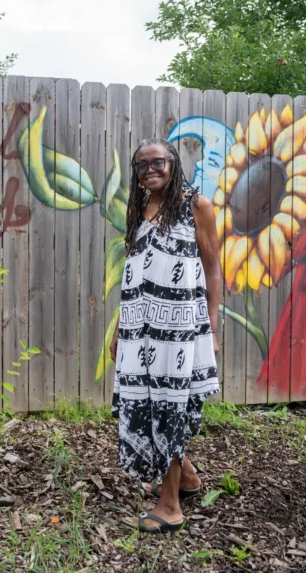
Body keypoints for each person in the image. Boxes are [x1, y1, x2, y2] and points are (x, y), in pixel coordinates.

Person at [110, 138, 222, 534]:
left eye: (157, 162)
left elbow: (212, 267)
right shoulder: (140, 209)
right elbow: (137, 273)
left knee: (171, 408)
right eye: (141, 165)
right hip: (140, 329)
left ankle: (170, 505)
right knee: (146, 403)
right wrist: (120, 329)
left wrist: (209, 326)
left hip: (180, 330)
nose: (149, 170)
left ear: (173, 164)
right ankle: (187, 478)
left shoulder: (197, 205)